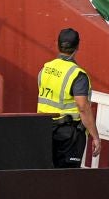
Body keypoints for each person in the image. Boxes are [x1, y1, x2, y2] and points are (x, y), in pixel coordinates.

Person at [37, 27, 98, 167]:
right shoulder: (77, 74)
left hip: (44, 129)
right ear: (78, 46)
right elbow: (83, 107)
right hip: (67, 134)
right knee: (66, 177)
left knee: (45, 174)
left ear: (57, 45)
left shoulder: (45, 68)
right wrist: (95, 136)